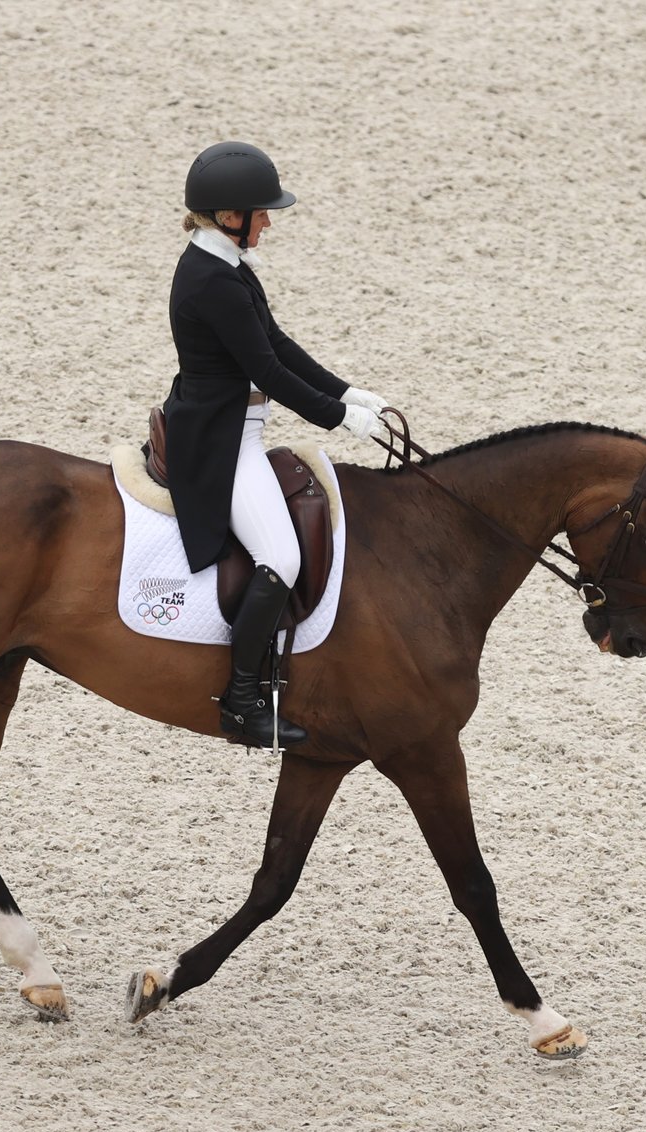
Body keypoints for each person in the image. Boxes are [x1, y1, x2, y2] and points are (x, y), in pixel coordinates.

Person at [163, 140, 390, 748]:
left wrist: (349, 392)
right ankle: (241, 702)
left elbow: (278, 343)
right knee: (281, 559)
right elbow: (267, 372)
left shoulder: (226, 267)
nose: (268, 220)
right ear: (229, 216)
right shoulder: (214, 282)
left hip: (237, 426)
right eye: (260, 212)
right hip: (220, 440)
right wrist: (338, 419)